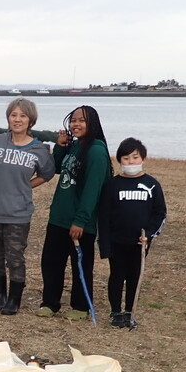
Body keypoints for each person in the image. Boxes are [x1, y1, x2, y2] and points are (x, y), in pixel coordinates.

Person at [0, 98, 56, 315]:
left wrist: (26, 185)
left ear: (30, 120)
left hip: (18, 212)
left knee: (15, 256)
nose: (17, 119)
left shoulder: (39, 149)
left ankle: (14, 299)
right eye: (14, 115)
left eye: (22, 116)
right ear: (8, 118)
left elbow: (47, 174)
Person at [38, 105, 111, 320]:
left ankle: (80, 306)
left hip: (80, 222)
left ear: (92, 124)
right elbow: (58, 167)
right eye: (73, 120)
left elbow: (93, 189)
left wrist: (81, 220)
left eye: (81, 120)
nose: (75, 124)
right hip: (59, 216)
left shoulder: (97, 151)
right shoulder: (76, 145)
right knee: (51, 262)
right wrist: (60, 146)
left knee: (80, 263)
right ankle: (50, 302)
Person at [98, 137, 167, 328]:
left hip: (140, 242)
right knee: (117, 275)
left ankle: (129, 311)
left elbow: (160, 213)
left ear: (143, 159)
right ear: (120, 160)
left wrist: (150, 234)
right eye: (126, 158)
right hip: (116, 241)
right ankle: (115, 312)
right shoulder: (112, 185)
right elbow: (103, 216)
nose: (131, 162)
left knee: (134, 275)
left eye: (135, 158)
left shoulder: (152, 184)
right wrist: (104, 244)